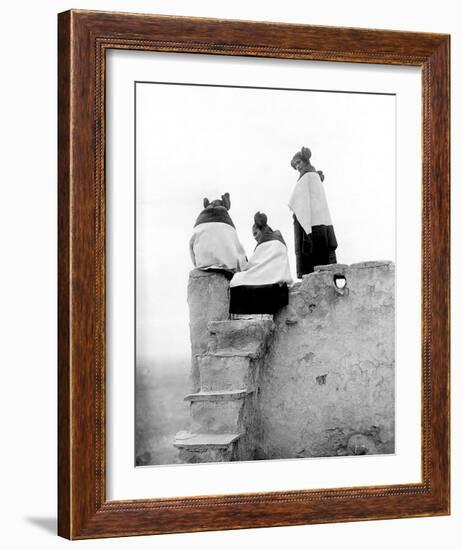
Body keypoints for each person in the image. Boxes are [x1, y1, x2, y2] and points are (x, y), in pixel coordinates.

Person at [229, 212, 293, 315]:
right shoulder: (279, 240)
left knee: (236, 279)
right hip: (280, 285)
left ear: (261, 230)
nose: (254, 237)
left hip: (269, 283)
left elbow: (250, 267)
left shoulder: (263, 243)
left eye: (255, 233)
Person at [289, 147, 338, 278]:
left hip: (311, 226)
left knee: (312, 266)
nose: (298, 167)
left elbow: (297, 203)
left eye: (299, 162)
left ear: (305, 161)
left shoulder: (306, 177)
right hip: (322, 225)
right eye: (295, 165)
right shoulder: (315, 176)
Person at [190, 192, 247, 277]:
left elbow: (191, 248)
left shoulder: (199, 226)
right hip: (228, 268)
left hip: (202, 265)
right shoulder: (228, 227)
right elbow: (240, 254)